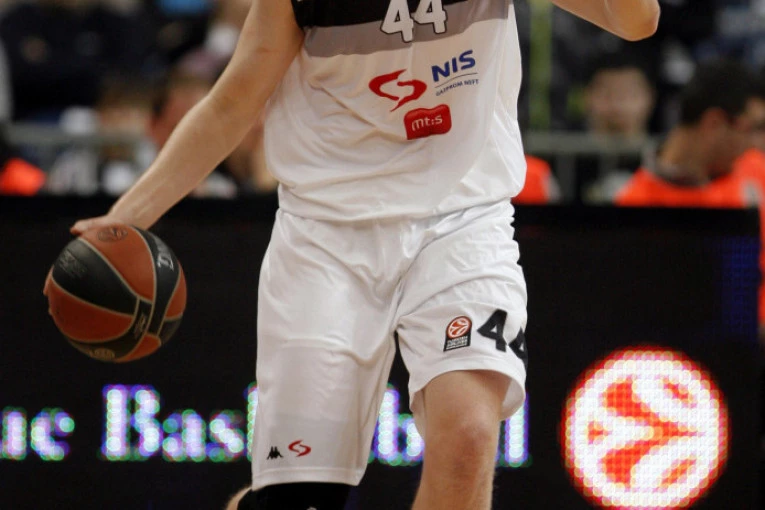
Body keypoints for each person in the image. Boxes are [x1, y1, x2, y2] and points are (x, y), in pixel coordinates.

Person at [57, 0, 660, 508]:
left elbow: (637, 21)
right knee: (298, 498)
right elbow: (230, 106)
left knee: (469, 437)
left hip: (463, 218)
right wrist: (124, 218)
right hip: (328, 234)